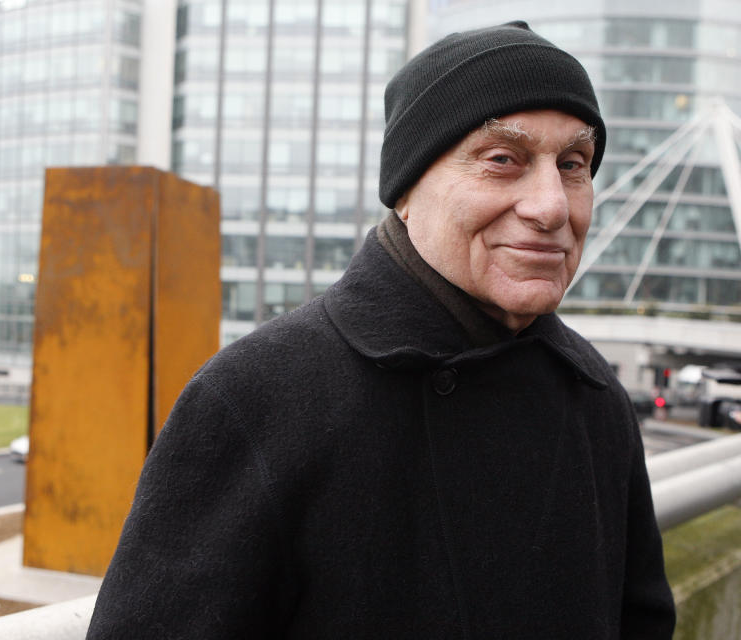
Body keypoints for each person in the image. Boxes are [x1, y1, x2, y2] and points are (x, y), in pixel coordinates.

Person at [87, 21, 676, 639]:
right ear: (407, 186)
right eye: (504, 160)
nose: (553, 205)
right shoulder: (257, 397)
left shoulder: (593, 396)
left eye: (574, 165)